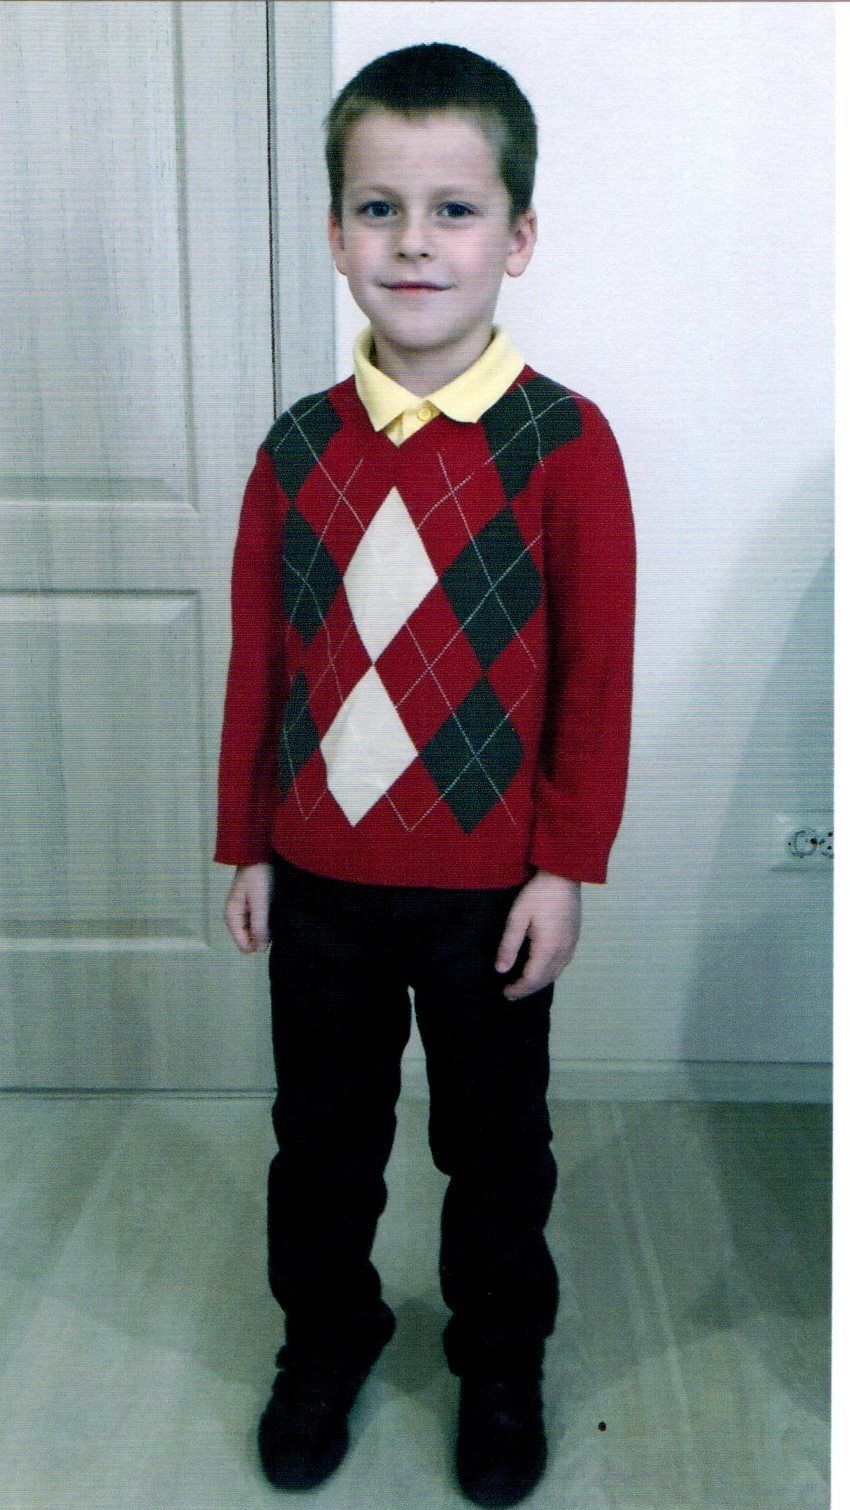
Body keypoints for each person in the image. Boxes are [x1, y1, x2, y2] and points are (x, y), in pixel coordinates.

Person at [215, 41, 636, 1509]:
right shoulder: (295, 450)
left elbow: (594, 678)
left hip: (487, 898)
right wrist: (246, 843)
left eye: (454, 209)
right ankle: (325, 1338)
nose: (413, 242)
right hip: (321, 883)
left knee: (495, 1148)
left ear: (516, 236)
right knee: (322, 1143)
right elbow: (263, 664)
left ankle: (500, 1362)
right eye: (378, 208)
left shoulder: (565, 446)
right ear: (336, 234)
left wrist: (563, 867)